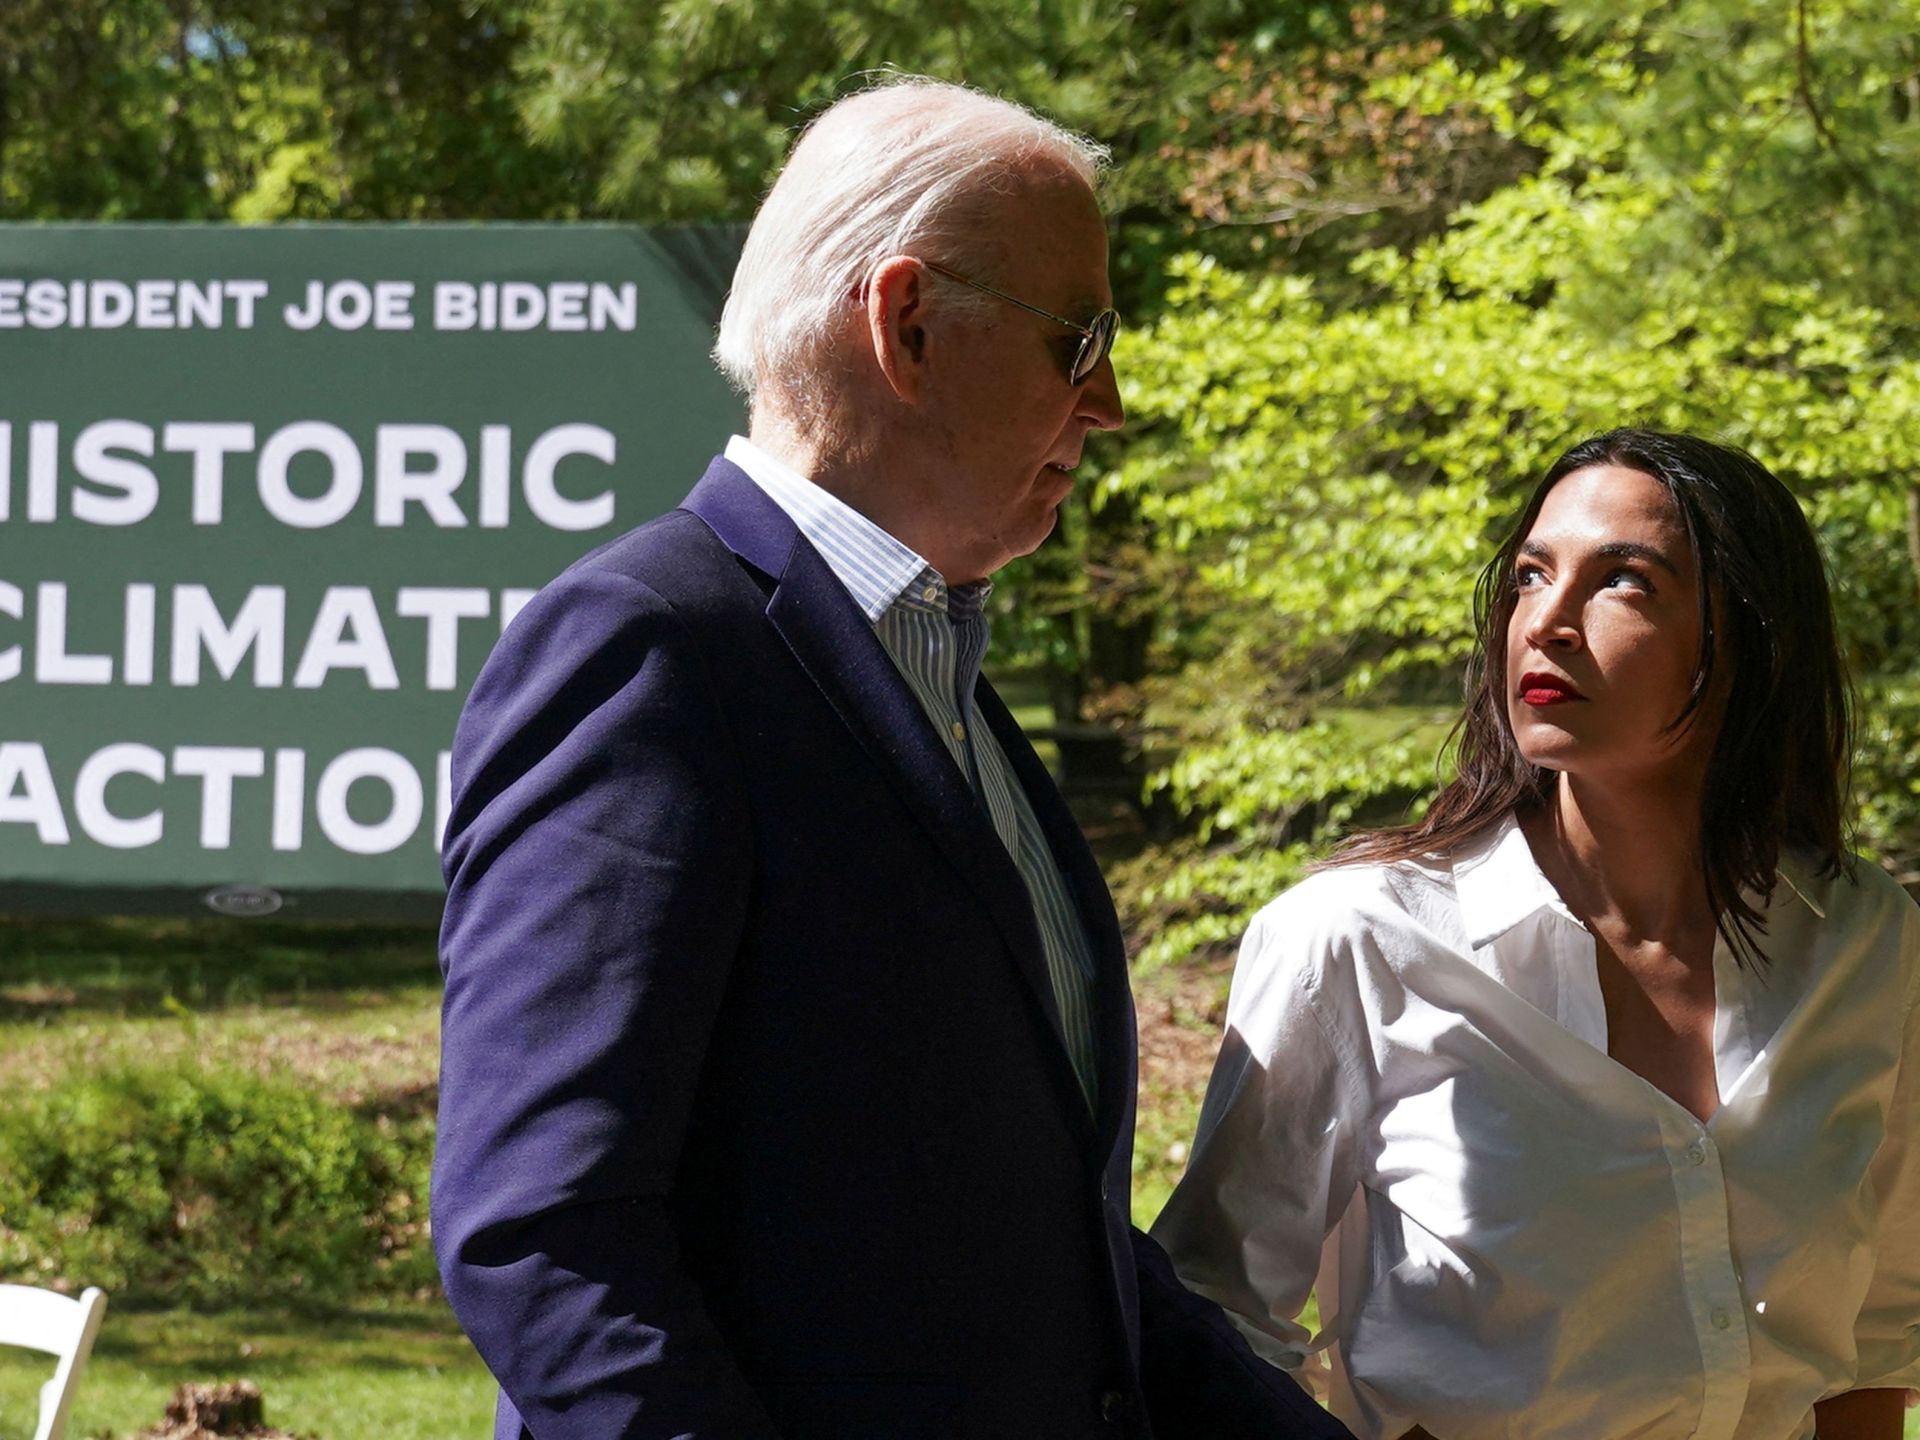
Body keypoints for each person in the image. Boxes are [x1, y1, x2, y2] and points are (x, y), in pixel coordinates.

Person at [432, 76, 1351, 1440]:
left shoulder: (934, 679)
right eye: (1080, 340)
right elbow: (545, 1235)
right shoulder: (653, 649)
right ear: (908, 324)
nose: (1109, 403)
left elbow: (1048, 1249)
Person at [1153, 429, 1920, 1440]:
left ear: (1749, 642)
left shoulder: (1867, 942)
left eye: (1624, 581)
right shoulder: (1357, 940)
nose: (1547, 622)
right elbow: (1211, 1319)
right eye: (1529, 575)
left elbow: (1877, 1333)